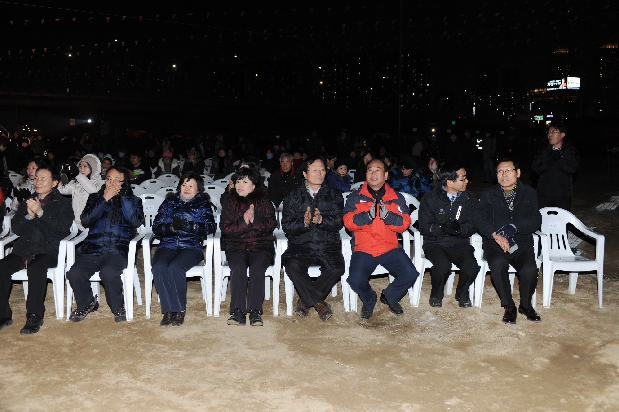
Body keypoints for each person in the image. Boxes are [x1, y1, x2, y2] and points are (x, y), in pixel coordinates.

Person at [0, 165, 73, 334]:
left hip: (48, 250)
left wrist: (40, 213)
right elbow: (17, 229)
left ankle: (34, 316)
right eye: (36, 178)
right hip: (25, 248)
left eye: (43, 178)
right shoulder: (28, 200)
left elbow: (61, 229)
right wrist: (28, 216)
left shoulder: (62, 203)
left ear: (54, 183)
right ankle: (3, 315)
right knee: (2, 266)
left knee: (36, 267)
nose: (38, 182)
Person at [66, 166, 144, 323]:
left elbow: (135, 221)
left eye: (117, 180)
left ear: (124, 183)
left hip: (117, 248)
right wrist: (104, 199)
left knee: (108, 272)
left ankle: (117, 307)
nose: (112, 183)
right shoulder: (95, 197)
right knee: (74, 272)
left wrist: (122, 197)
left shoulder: (134, 200)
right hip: (93, 248)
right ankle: (87, 302)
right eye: (109, 179)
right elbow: (86, 220)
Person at [344, 159, 418, 320]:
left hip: (389, 247)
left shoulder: (395, 197)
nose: (373, 174)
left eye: (378, 170)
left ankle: (390, 297)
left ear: (386, 175)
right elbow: (348, 223)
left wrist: (388, 217)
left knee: (411, 274)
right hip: (364, 247)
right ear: (366, 174)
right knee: (355, 279)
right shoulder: (355, 197)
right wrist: (367, 216)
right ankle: (369, 300)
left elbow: (405, 222)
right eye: (370, 170)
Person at [473, 159, 542, 324]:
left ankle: (525, 306)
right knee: (497, 264)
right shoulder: (489, 194)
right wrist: (494, 234)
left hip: (521, 243)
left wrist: (515, 227)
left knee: (530, 269)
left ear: (517, 173)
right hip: (495, 244)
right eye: (500, 171)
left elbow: (535, 219)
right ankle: (509, 306)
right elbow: (478, 217)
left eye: (508, 170)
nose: (504, 174)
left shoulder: (529, 193)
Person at [282, 156, 345, 322]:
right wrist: (304, 222)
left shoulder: (334, 194)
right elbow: (287, 225)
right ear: (305, 173)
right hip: (301, 244)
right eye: (314, 170)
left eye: (323, 169)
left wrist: (321, 220)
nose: (319, 173)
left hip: (327, 243)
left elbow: (339, 222)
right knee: (292, 265)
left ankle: (305, 300)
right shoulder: (293, 196)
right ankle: (318, 302)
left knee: (337, 268)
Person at [151, 172, 216, 326]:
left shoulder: (203, 204)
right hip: (168, 244)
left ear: (198, 190)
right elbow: (156, 227)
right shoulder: (168, 203)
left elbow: (210, 227)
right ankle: (167, 311)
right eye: (184, 185)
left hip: (191, 246)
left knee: (175, 267)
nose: (186, 188)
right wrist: (171, 228)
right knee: (159, 266)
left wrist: (190, 226)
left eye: (191, 185)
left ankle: (179, 310)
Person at [418, 162, 480, 308]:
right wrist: (442, 228)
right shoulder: (430, 198)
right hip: (435, 243)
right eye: (462, 179)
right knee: (442, 266)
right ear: (450, 183)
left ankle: (462, 292)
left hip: (460, 243)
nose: (466, 181)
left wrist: (461, 230)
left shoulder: (469, 198)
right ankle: (436, 294)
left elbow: (473, 224)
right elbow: (424, 227)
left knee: (472, 267)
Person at [220, 167, 276, 326]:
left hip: (261, 246)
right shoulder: (230, 201)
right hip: (237, 246)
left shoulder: (264, 201)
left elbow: (271, 224)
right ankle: (237, 311)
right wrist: (243, 222)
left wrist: (254, 220)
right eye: (238, 181)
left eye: (245, 182)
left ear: (254, 185)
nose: (240, 185)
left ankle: (255, 311)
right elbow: (225, 228)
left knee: (257, 266)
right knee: (238, 266)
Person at [531, 122, 579, 211]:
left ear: (562, 135)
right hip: (544, 195)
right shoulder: (543, 151)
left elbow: (572, 169)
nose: (550, 134)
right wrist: (549, 161)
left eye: (554, 132)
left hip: (563, 195)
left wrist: (559, 160)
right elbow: (535, 168)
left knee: (561, 222)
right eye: (549, 132)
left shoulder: (570, 151)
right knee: (542, 222)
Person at [58, 154, 105, 230]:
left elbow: (92, 190)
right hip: (76, 224)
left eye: (85, 166)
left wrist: (78, 175)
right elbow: (62, 190)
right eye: (80, 166)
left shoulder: (100, 183)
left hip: (91, 225)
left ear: (93, 167)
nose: (81, 169)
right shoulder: (76, 182)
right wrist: (61, 176)